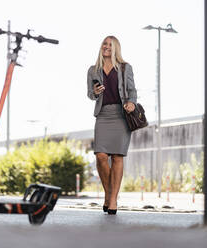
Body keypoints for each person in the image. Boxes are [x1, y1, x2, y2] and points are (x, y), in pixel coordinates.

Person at [87, 36, 137, 215]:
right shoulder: (93, 70)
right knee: (100, 156)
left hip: (121, 116)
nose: (106, 47)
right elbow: (90, 95)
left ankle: (112, 199)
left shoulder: (125, 68)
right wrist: (94, 92)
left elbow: (132, 91)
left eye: (110, 45)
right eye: (104, 44)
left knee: (117, 157)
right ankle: (109, 192)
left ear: (116, 48)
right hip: (103, 115)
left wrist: (131, 102)